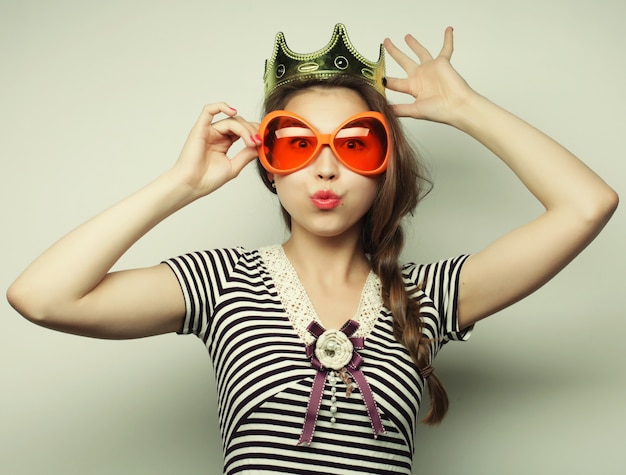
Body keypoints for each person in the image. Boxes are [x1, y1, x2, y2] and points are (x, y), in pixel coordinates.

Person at [6, 23, 618, 475]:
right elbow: (41, 297)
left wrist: (466, 109)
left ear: (385, 167)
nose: (325, 170)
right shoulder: (218, 281)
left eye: (355, 145)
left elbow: (587, 204)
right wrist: (182, 184)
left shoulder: (430, 297)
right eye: (297, 145)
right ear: (269, 166)